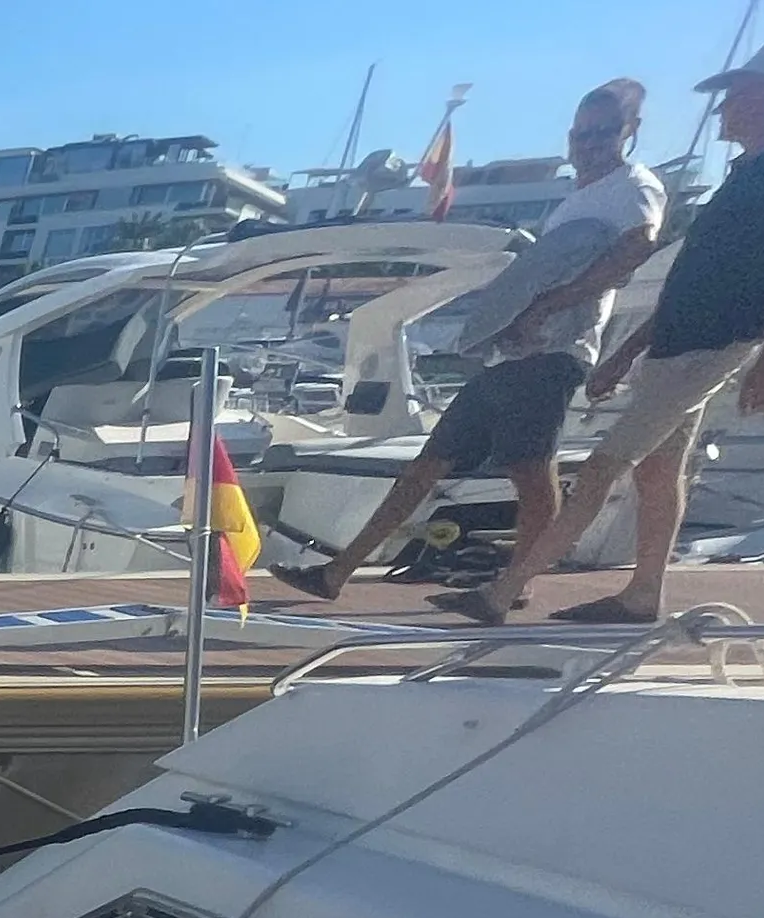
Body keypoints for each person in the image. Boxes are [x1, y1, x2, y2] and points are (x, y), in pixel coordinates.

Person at [456, 40, 764, 623]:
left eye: (737, 95)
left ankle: (503, 590)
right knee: (657, 469)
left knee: (602, 467)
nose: (722, 110)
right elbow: (692, 278)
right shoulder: (749, 173)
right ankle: (644, 594)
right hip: (681, 342)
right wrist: (625, 354)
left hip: (716, 343)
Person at [277, 83, 665, 603]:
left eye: (603, 132)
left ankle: (513, 589)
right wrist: (512, 317)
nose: (589, 143)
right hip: (512, 354)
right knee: (425, 467)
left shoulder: (634, 186)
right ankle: (336, 573)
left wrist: (551, 305)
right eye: (581, 132)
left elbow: (636, 248)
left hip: (555, 355)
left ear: (629, 132)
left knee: (530, 473)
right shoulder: (575, 201)